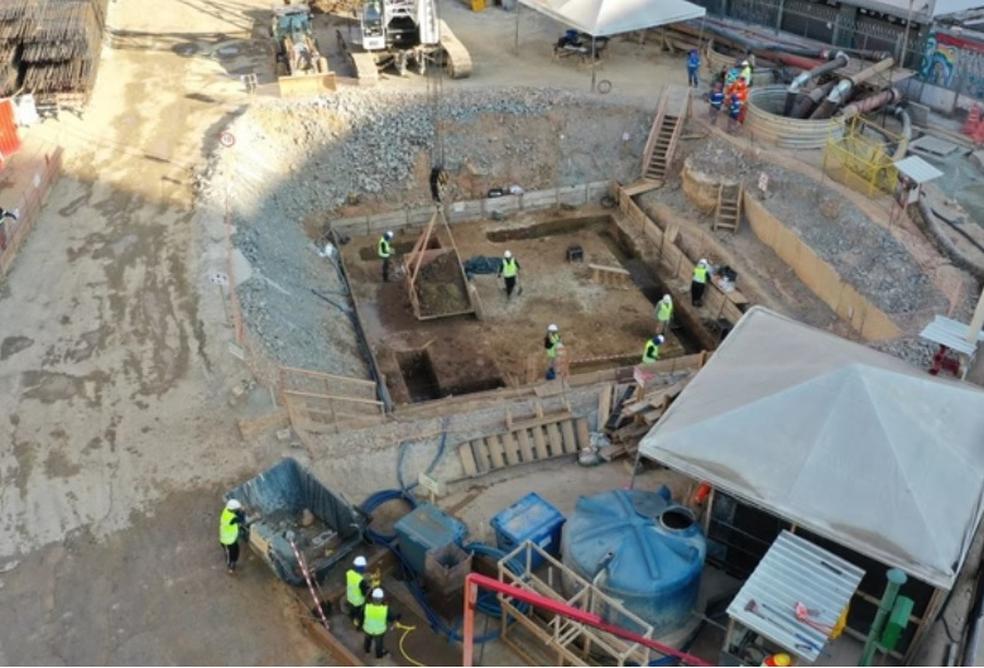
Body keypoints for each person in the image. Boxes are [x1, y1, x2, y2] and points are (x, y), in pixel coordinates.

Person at [363, 588, 399, 659]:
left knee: (367, 640)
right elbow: (392, 617)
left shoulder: (367, 607)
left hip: (368, 629)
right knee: (379, 644)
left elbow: (361, 615)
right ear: (381, 599)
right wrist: (396, 618)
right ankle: (379, 655)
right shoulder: (385, 609)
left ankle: (367, 650)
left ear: (373, 598)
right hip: (379, 631)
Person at [219, 498, 246, 573]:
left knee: (236, 550)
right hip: (226, 541)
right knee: (229, 554)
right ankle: (230, 566)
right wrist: (243, 511)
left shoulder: (227, 510)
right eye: (237, 509)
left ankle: (234, 561)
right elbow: (241, 519)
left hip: (232, 539)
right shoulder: (231, 519)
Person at [346, 555, 371, 628]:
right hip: (358, 601)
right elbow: (364, 593)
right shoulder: (361, 581)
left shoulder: (349, 573)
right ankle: (359, 625)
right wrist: (368, 588)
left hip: (350, 596)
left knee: (352, 610)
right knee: (361, 613)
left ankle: (351, 616)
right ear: (361, 568)